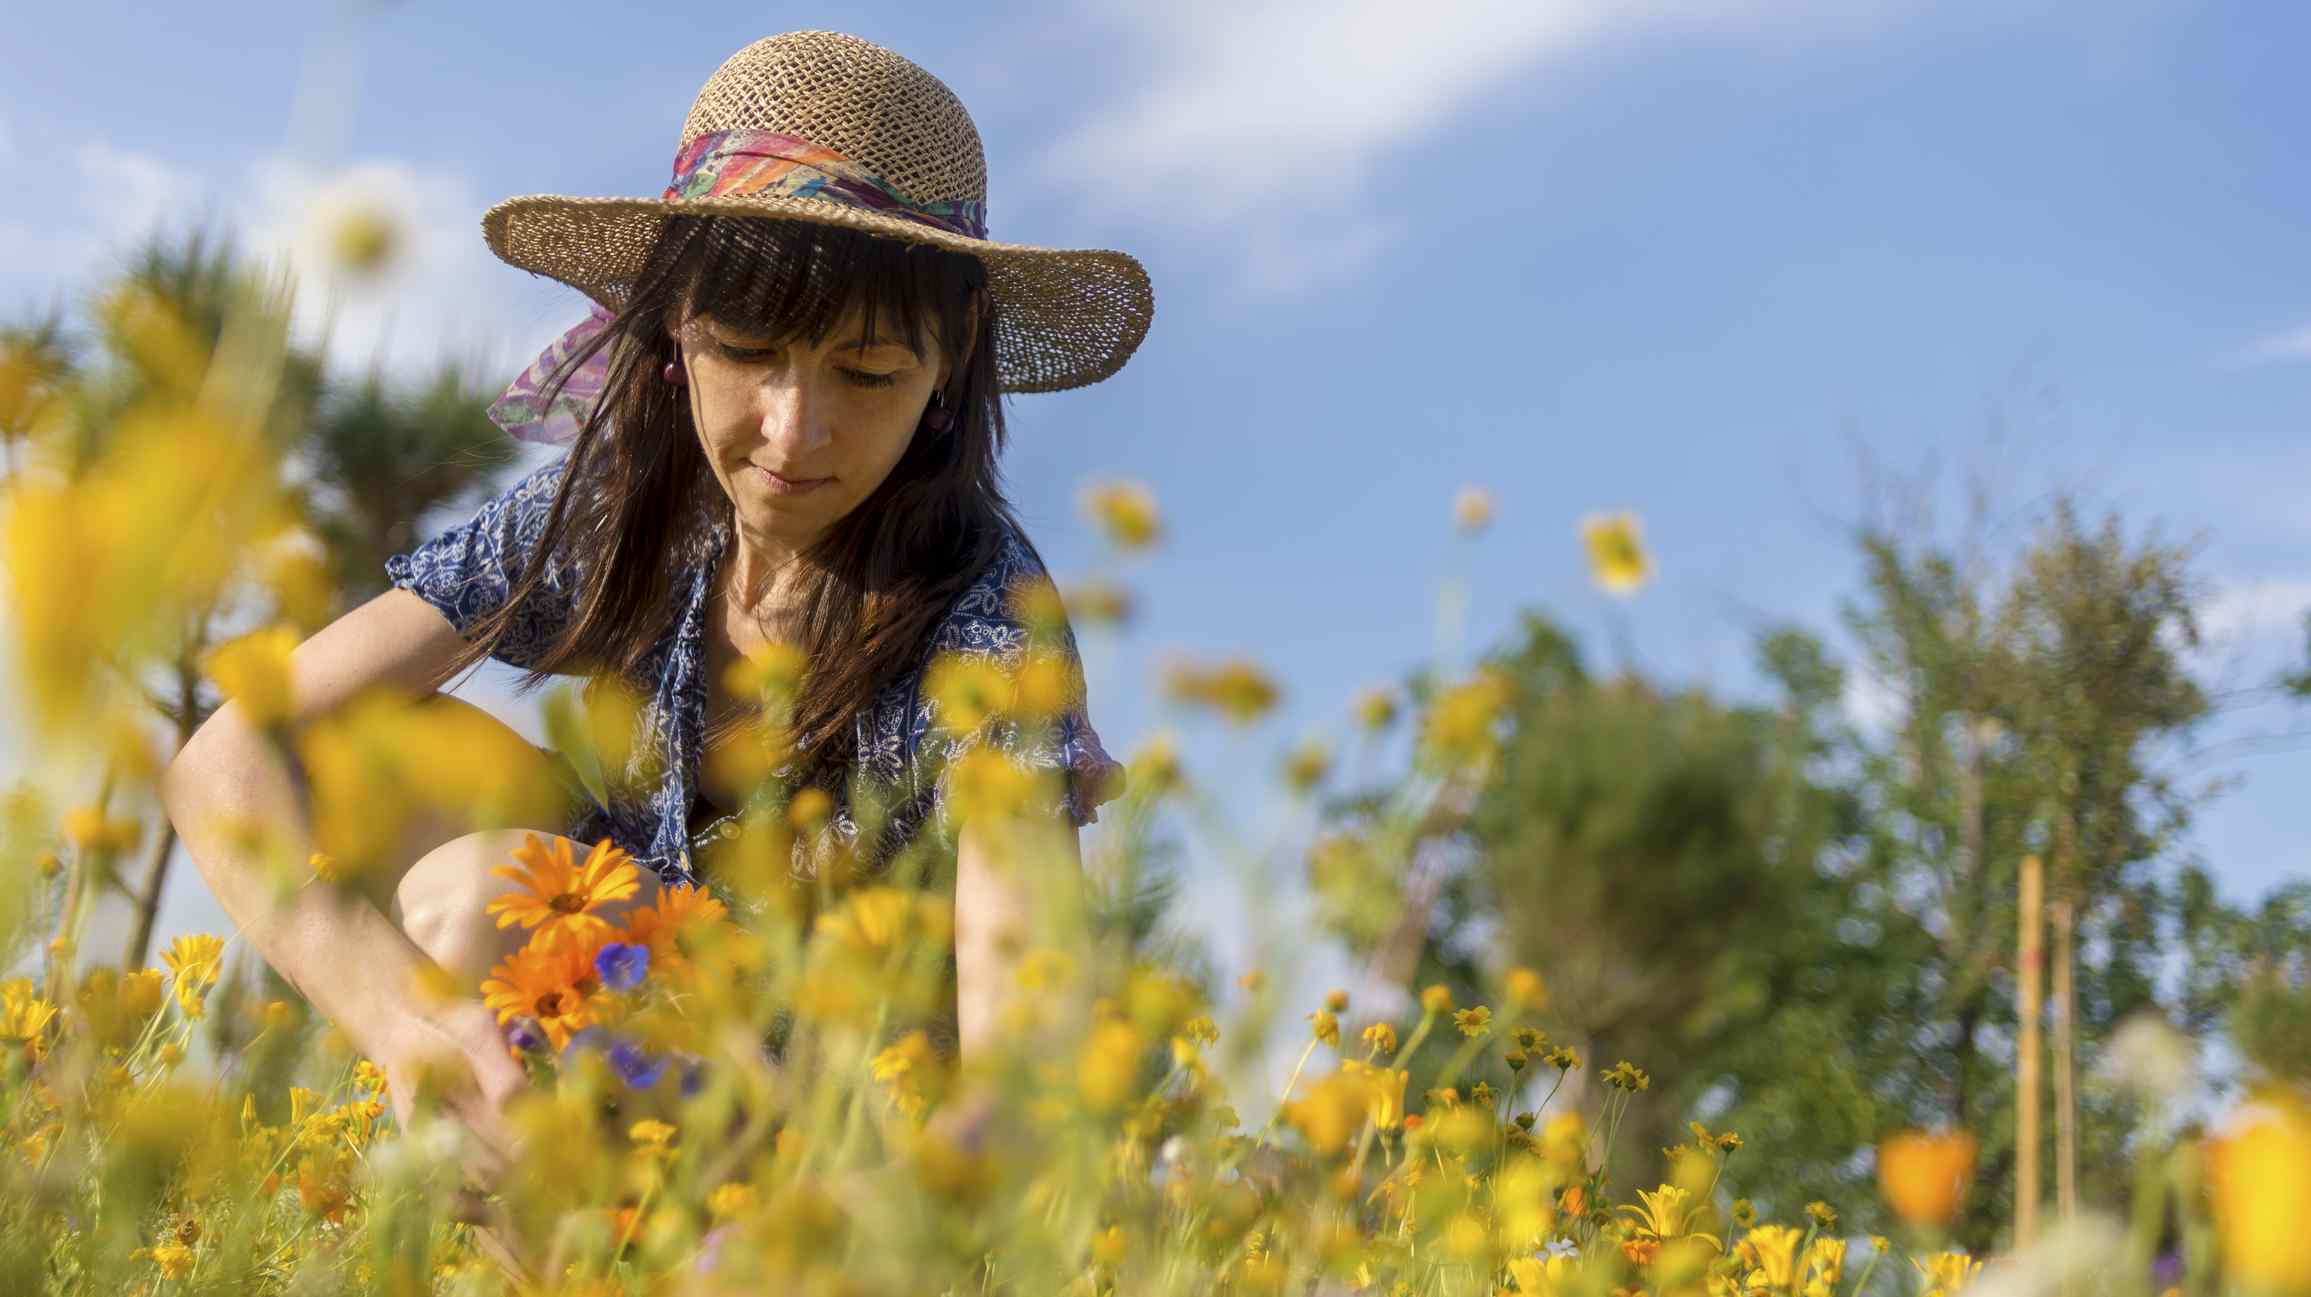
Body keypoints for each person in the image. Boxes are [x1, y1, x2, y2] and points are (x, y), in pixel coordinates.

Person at [160, 29, 1150, 1205]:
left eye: (867, 373)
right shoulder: (620, 510)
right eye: (748, 350)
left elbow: (1024, 1077)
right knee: (371, 756)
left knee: (485, 907)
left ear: (956, 354)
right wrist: (400, 1020)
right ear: (675, 320)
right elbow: (226, 758)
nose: (793, 433)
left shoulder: (986, 624)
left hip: (842, 1160)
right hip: (639, 1022)